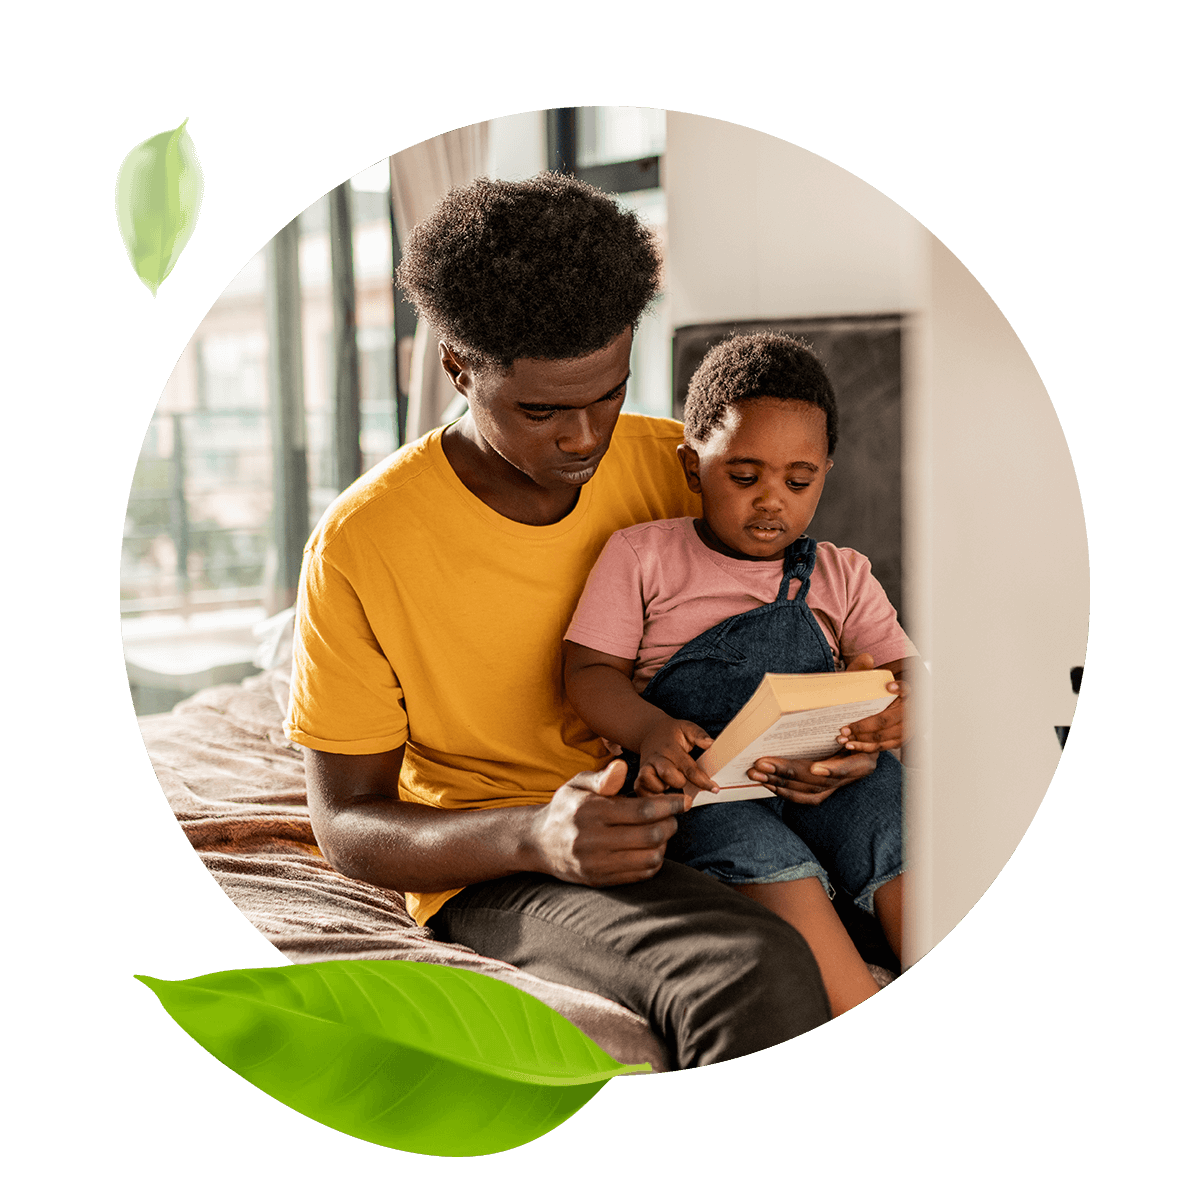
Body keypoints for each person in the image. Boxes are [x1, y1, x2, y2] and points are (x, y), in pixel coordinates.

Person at [285, 174, 864, 1070]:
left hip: (717, 804)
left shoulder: (680, 464)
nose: (586, 438)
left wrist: (846, 734)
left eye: (608, 393)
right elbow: (348, 824)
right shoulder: (364, 544)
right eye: (543, 410)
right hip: (504, 861)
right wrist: (533, 835)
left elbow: (818, 625)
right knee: (749, 967)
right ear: (456, 366)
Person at [563, 332, 920, 1015]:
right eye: (744, 475)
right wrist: (651, 729)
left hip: (829, 772)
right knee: (761, 854)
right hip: (706, 785)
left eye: (798, 480)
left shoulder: (841, 572)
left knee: (893, 816)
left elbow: (906, 671)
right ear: (693, 464)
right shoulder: (642, 556)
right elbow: (587, 671)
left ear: (825, 473)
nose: (770, 501)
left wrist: (891, 719)